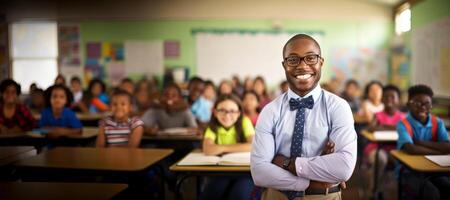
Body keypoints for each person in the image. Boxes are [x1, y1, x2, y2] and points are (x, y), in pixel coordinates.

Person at [251, 34, 357, 200]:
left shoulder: (338, 107)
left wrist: (286, 163)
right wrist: (312, 181)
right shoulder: (270, 111)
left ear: (321, 62)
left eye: (310, 58)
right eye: (293, 59)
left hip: (324, 197)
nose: (302, 65)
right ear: (284, 65)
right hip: (278, 196)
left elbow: (343, 167)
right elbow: (259, 172)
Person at [396, 84, 450, 200]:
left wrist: (421, 142)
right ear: (408, 105)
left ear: (431, 106)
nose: (422, 107)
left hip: (435, 169)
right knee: (432, 194)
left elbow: (447, 147)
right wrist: (439, 152)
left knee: (446, 186)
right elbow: (411, 149)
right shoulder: (403, 124)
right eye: (417, 103)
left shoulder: (437, 122)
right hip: (409, 172)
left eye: (427, 104)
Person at [201, 94, 255, 200]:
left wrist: (221, 148)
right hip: (220, 171)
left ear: (239, 113)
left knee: (239, 195)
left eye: (232, 111)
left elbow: (253, 145)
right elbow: (208, 149)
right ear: (215, 112)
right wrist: (240, 147)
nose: (227, 115)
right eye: (222, 110)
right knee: (210, 194)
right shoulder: (213, 126)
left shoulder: (245, 121)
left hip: (246, 171)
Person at [364, 84, 405, 197]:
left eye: (392, 97)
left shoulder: (403, 117)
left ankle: (399, 191)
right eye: (386, 97)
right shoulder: (378, 115)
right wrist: (393, 127)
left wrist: (383, 126)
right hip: (376, 147)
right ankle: (374, 191)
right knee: (380, 159)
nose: (389, 100)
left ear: (399, 100)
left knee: (404, 162)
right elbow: (371, 128)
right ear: (382, 99)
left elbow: (405, 130)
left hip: (396, 149)